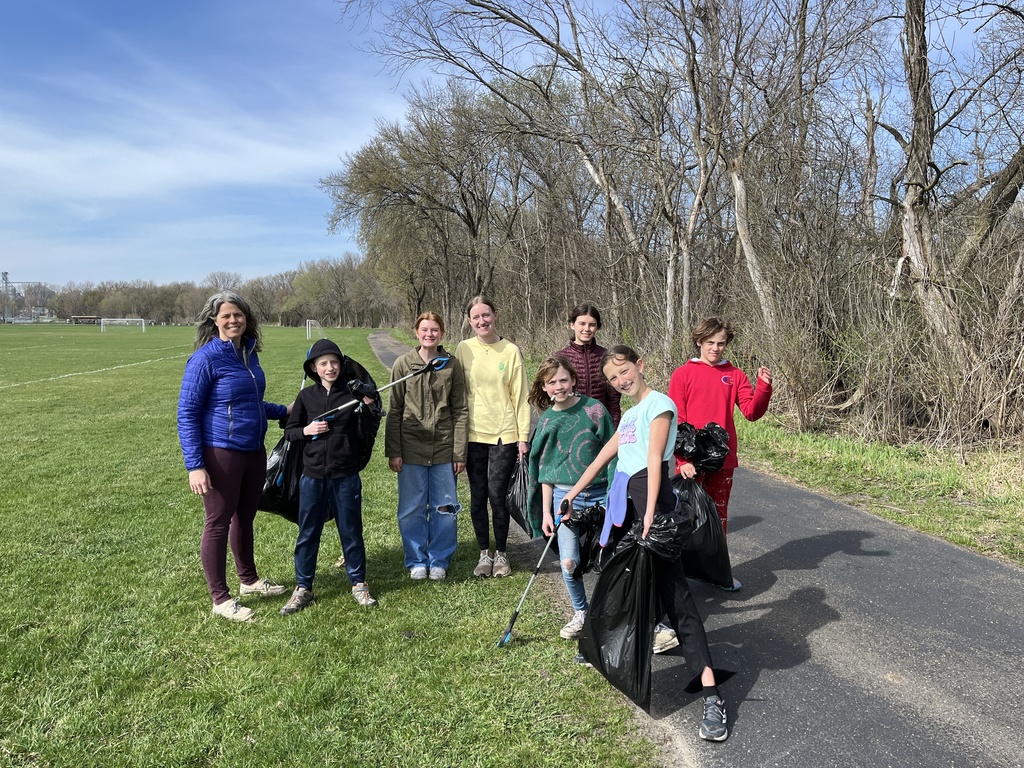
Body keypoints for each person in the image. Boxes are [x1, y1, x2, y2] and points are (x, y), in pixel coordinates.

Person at [563, 345, 730, 743]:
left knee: (678, 599)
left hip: (653, 507)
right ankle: (600, 648)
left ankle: (712, 696)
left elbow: (655, 459)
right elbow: (604, 457)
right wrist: (572, 493)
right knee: (617, 578)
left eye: (624, 371)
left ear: (640, 366)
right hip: (626, 505)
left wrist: (651, 513)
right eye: (612, 378)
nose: (620, 381)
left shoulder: (660, 404)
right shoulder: (629, 415)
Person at [177, 291, 291, 622]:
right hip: (221, 452)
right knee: (217, 522)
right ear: (214, 320)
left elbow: (250, 402)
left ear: (246, 318)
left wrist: (283, 410)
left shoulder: (249, 354)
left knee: (245, 517)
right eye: (226, 315)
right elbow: (187, 413)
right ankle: (220, 598)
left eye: (238, 314)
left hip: (253, 450)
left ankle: (249, 581)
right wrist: (195, 466)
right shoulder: (205, 359)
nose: (233, 320)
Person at [279, 339, 382, 615]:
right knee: (308, 532)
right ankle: (303, 587)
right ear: (314, 367)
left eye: (334, 362)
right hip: (312, 476)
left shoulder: (351, 395)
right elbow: (290, 431)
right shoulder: (306, 397)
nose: (330, 368)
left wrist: (369, 404)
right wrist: (307, 431)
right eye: (323, 363)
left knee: (351, 531)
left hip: (345, 475)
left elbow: (370, 425)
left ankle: (358, 583)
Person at [668, 316, 773, 588]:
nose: (715, 348)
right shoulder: (683, 374)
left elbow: (751, 412)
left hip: (722, 460)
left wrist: (763, 387)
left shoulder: (735, 375)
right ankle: (676, 575)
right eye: (710, 342)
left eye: (721, 343)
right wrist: (682, 460)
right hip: (691, 461)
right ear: (699, 342)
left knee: (718, 517)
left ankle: (718, 573)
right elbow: (677, 421)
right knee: (685, 516)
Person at [527, 356, 614, 640]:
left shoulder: (595, 410)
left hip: (600, 493)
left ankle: (613, 612)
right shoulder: (547, 421)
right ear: (544, 387)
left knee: (610, 559)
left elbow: (614, 451)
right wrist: (546, 512)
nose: (559, 386)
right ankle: (581, 613)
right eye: (551, 382)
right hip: (564, 498)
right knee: (568, 562)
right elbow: (545, 471)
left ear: (574, 380)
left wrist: (615, 494)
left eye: (563, 380)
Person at [385, 312, 468, 582]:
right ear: (416, 332)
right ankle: (416, 560)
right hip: (410, 448)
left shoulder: (451, 365)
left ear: (441, 333)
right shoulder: (403, 364)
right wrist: (394, 451)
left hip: (444, 447)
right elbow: (394, 410)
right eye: (424, 329)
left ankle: (439, 559)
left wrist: (459, 452)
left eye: (434, 330)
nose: (429, 334)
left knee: (445, 507)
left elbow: (460, 410)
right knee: (411, 508)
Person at [455, 295, 530, 578]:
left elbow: (520, 397)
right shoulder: (463, 349)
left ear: (495, 315)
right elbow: (456, 392)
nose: (482, 321)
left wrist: (523, 437)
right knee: (478, 497)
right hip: (473, 435)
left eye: (486, 315)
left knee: (497, 496)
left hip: (503, 435)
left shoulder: (510, 351)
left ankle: (501, 554)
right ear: (469, 321)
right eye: (476, 317)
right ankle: (484, 553)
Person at [556, 303, 622, 427]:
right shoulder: (560, 358)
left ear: (597, 327)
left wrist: (614, 429)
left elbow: (614, 400)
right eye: (582, 323)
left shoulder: (607, 357)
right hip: (570, 425)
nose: (587, 329)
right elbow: (553, 399)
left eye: (592, 325)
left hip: (600, 425)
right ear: (572, 324)